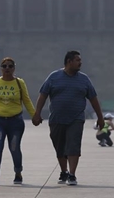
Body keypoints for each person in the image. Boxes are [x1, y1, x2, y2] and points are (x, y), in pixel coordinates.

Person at [32, 50, 105, 186]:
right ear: (69, 61)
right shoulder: (54, 77)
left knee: (73, 145)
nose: (80, 63)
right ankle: (63, 171)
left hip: (76, 118)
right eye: (78, 60)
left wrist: (100, 118)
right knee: (59, 147)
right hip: (56, 118)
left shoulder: (84, 79)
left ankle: (72, 174)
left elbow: (93, 98)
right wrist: (37, 113)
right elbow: (43, 95)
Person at [0, 57, 36, 186]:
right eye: (4, 66)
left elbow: (26, 100)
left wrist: (34, 116)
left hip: (15, 122)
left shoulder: (19, 83)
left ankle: (18, 172)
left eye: (10, 66)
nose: (7, 69)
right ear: (0, 68)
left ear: (14, 68)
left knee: (14, 148)